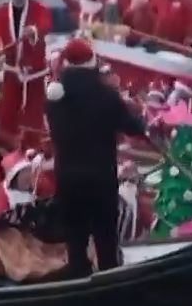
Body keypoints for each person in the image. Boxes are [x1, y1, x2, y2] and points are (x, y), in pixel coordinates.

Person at [44, 37, 147, 277]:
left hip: (68, 177)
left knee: (76, 237)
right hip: (100, 175)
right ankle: (109, 283)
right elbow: (131, 126)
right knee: (105, 237)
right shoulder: (106, 95)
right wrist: (139, 123)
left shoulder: (54, 98)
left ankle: (79, 282)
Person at [0, 0, 53, 150]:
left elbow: (44, 24)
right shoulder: (0, 13)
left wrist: (34, 30)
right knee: (8, 107)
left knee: (34, 109)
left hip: (34, 71)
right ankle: (7, 143)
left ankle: (34, 144)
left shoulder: (38, 8)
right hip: (11, 68)